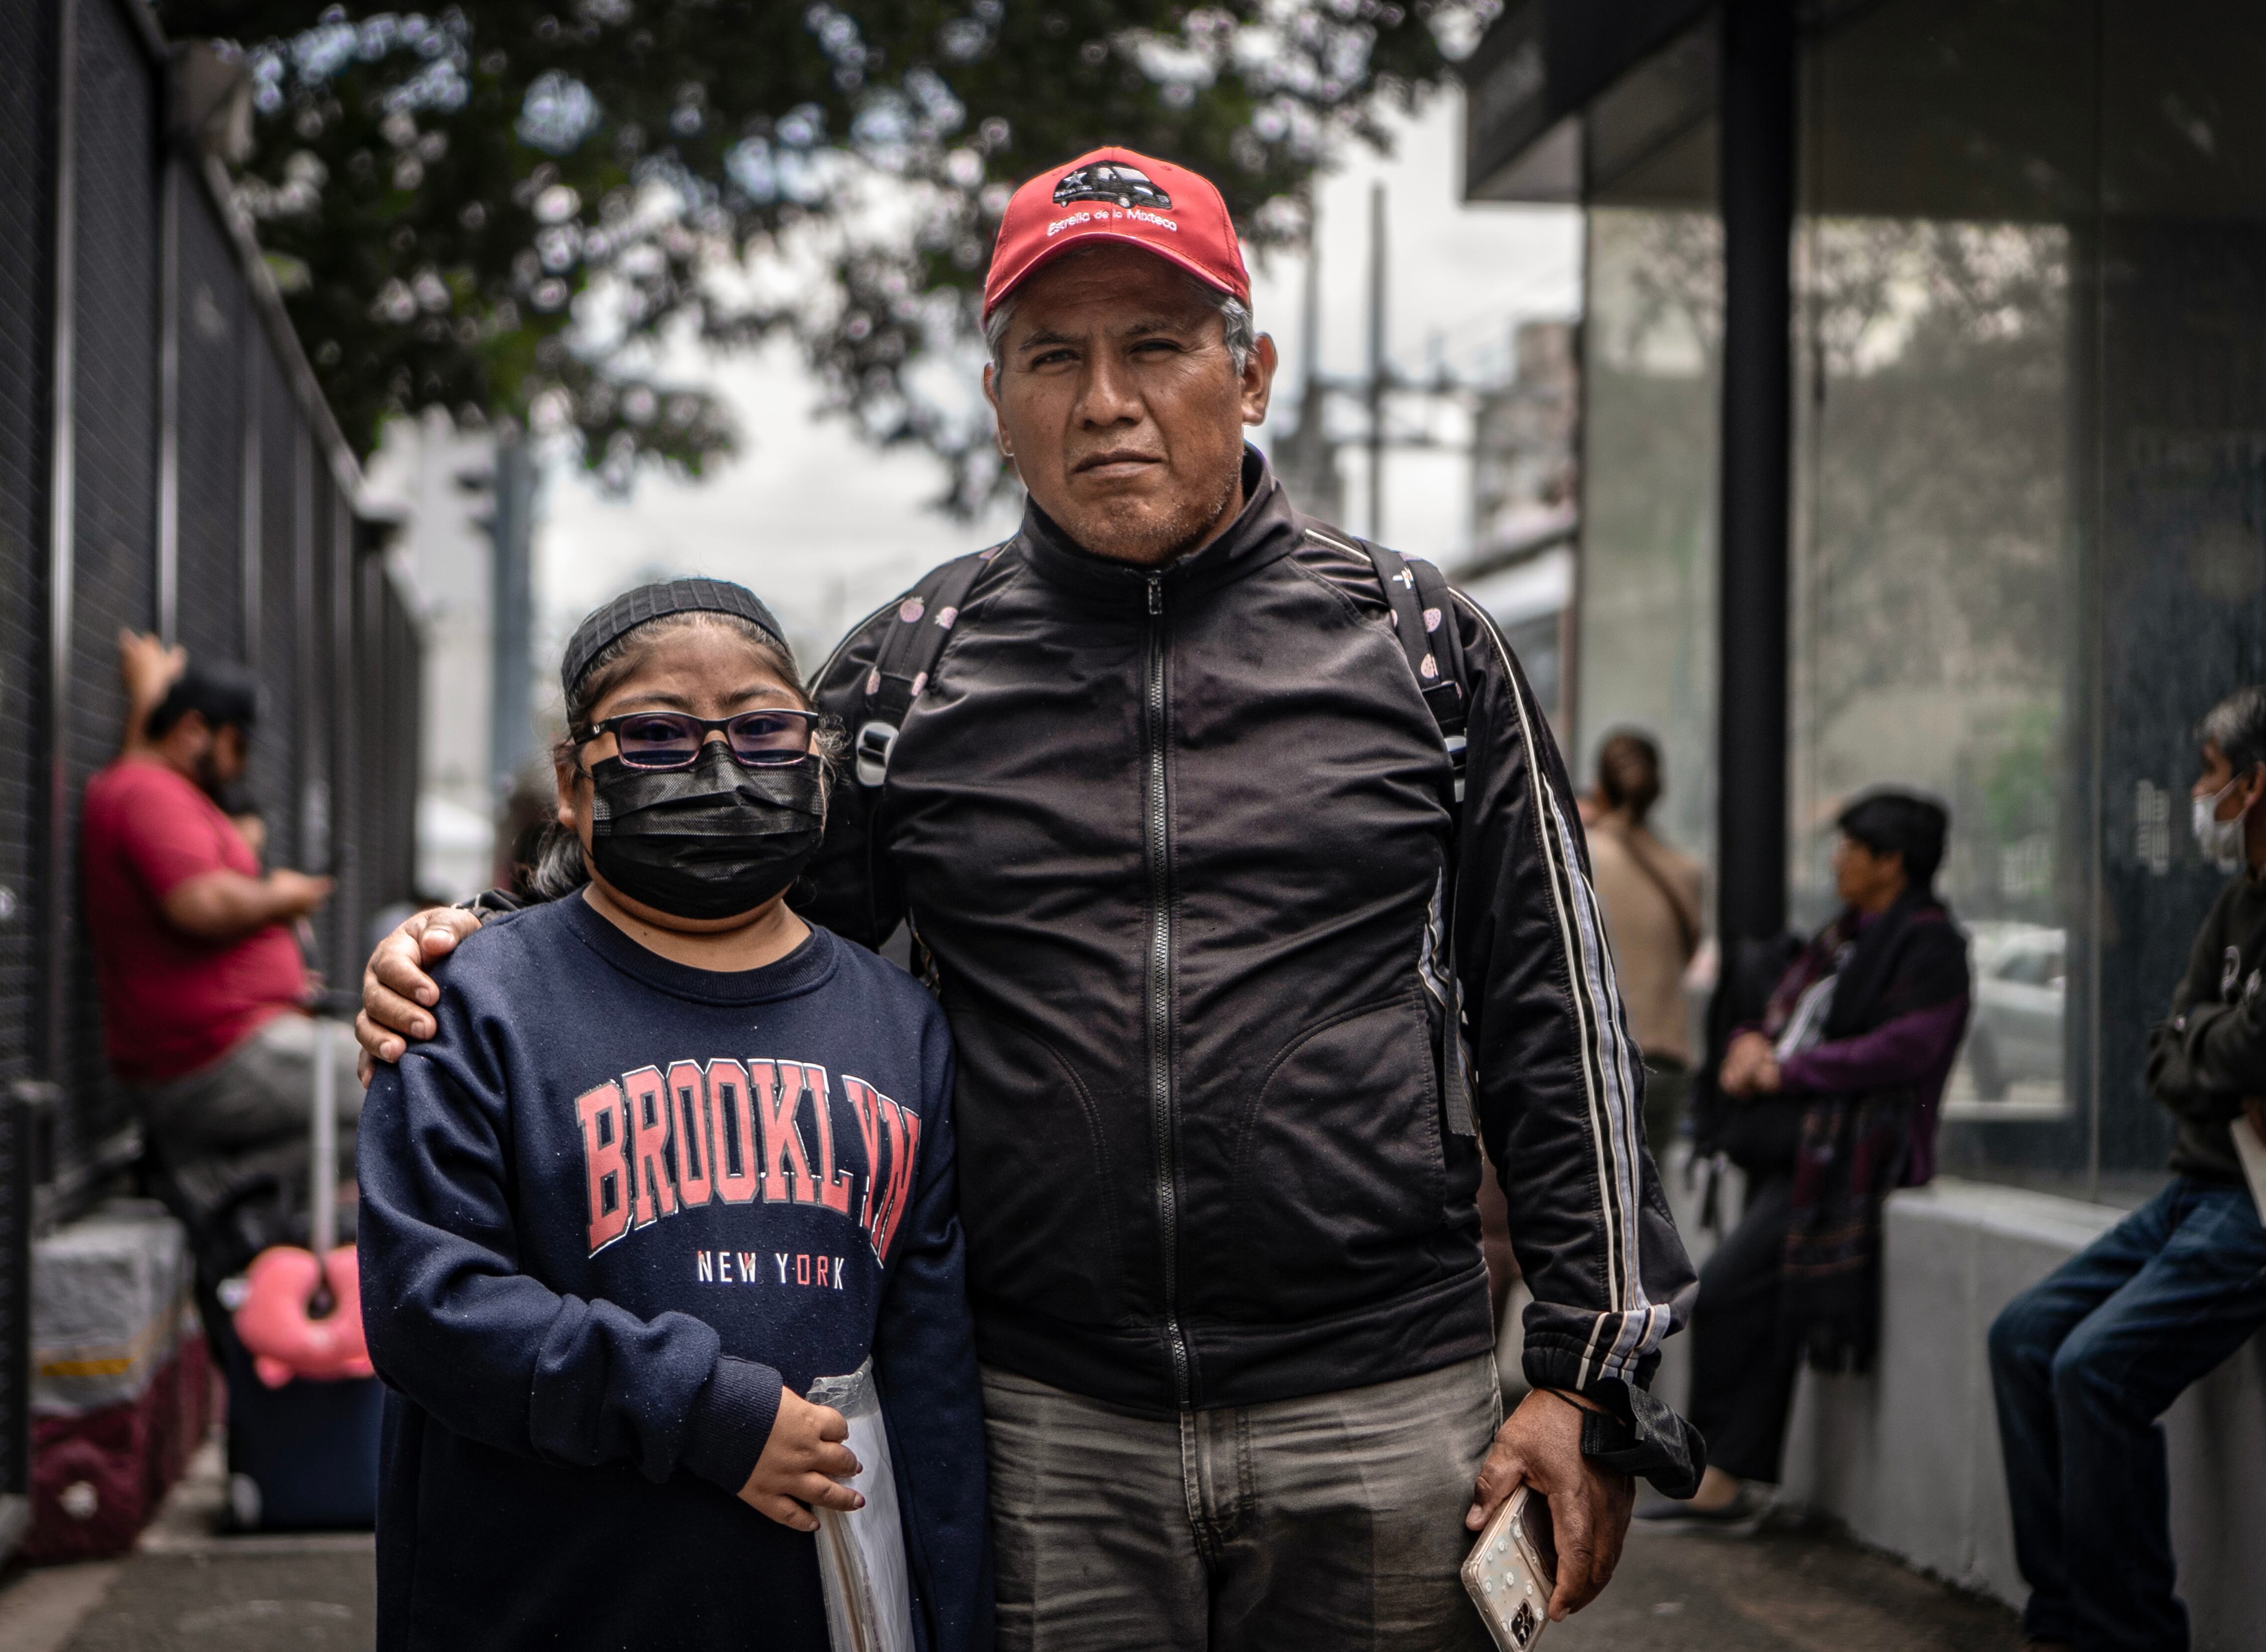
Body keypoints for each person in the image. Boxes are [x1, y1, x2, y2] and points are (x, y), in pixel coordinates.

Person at [360, 145, 1700, 1647]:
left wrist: (1583, 1374)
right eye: (1052, 355)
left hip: (1382, 1411)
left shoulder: (1419, 648)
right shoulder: (904, 675)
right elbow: (706, 918)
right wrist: (480, 948)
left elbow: (1557, 1021)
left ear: (1248, 372)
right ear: (996, 402)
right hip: (1047, 1426)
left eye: (1157, 346)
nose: (1105, 398)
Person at [356, 581, 986, 1652]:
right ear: (573, 780)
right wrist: (711, 1413)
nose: (718, 761)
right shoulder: (468, 997)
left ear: (815, 756)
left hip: (806, 1604)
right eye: (654, 735)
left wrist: (954, 1611)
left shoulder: (900, 1023)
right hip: (537, 1596)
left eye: (762, 726)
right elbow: (428, 1304)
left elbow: (929, 1370)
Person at [1987, 686, 2266, 1652]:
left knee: (2095, 1368)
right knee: (2023, 1337)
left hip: (2252, 1207)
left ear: (2256, 783)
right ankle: (2064, 1609)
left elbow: (2235, 1051)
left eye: (2210, 770)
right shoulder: (2234, 904)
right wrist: (2212, 1052)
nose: (2198, 791)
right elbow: (2170, 1050)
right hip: (2194, 1188)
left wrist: (2210, 1048)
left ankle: (2130, 1631)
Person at [1654, 790, 1969, 1522]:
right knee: (1759, 1298)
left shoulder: (1931, 945)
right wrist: (1746, 1046)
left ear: (1891, 862)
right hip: (1799, 1151)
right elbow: (1781, 1010)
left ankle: (1719, 1478)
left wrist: (1788, 1072)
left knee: (1730, 1289)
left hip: (1849, 1162)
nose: (1837, 859)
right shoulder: (1843, 935)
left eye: (1851, 847)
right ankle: (1723, 1478)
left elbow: (1904, 1048)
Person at [82, 632, 338, 1258]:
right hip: (215, 1057)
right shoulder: (146, 792)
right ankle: (208, 1184)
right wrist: (283, 896)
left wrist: (147, 699)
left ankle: (211, 1178)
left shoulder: (157, 788)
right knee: (409, 1082)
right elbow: (198, 904)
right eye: (237, 745)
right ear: (196, 729)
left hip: (241, 1040)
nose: (241, 764)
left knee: (403, 1098)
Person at [1583, 731, 1704, 1158]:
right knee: (1655, 1200)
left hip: (1602, 1054)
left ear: (1599, 787)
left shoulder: (1582, 856)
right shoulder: (1686, 870)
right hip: (1667, 1055)